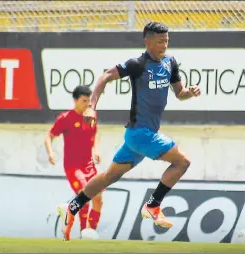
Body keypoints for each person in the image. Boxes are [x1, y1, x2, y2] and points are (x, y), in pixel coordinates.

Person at [58, 22, 201, 241]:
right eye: (160, 41)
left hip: (138, 136)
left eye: (167, 40)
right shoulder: (137, 64)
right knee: (183, 161)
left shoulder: (170, 62)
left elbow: (179, 92)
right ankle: (153, 205)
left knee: (107, 177)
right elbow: (105, 76)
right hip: (141, 133)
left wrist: (189, 92)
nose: (165, 45)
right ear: (147, 41)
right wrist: (91, 106)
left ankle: (72, 206)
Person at [45, 85, 103, 237]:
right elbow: (49, 137)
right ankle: (84, 232)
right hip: (73, 167)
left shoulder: (91, 115)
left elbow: (94, 133)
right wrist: (51, 153)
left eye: (89, 101)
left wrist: (96, 149)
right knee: (85, 195)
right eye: (84, 101)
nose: (87, 104)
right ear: (76, 101)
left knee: (98, 199)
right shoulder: (65, 118)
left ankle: (88, 231)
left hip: (89, 165)